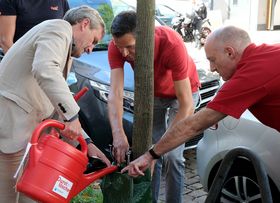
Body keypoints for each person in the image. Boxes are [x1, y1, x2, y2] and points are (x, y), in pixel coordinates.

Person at [121, 25, 280, 177]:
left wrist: (150, 155)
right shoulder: (270, 52)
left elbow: (193, 125)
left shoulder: (249, 75)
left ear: (230, 53)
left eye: (213, 60)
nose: (211, 68)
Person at [0, 5, 110, 203]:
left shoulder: (62, 44)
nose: (90, 49)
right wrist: (72, 116)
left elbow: (55, 99)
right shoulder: (59, 28)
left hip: (23, 131)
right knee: (8, 196)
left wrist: (87, 143)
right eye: (94, 40)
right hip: (11, 126)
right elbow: (45, 69)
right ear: (84, 24)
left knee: (25, 195)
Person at [107, 11, 201, 203]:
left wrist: (157, 151)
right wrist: (118, 134)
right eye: (119, 47)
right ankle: (151, 200)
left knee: (173, 156)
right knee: (150, 154)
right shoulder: (116, 47)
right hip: (154, 95)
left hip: (183, 94)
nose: (124, 54)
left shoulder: (171, 43)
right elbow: (115, 93)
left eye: (129, 47)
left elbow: (186, 105)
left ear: (145, 38)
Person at [0, 0, 69, 54]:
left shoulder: (61, 1)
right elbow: (5, 41)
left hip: (51, 59)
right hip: (21, 59)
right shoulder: (10, 1)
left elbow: (69, 38)